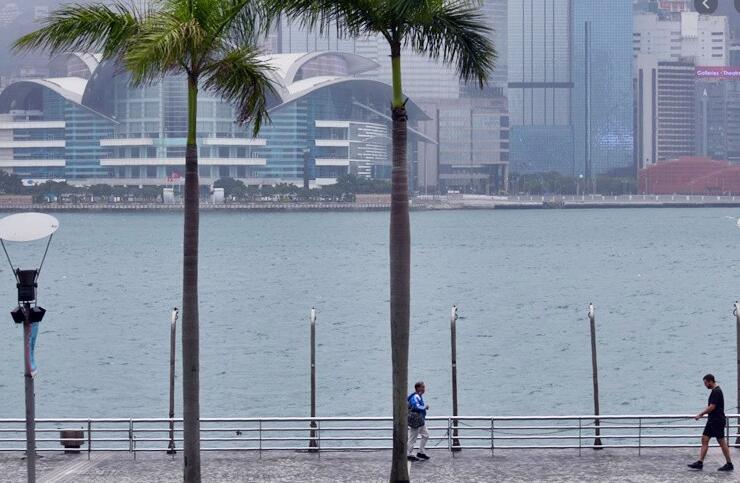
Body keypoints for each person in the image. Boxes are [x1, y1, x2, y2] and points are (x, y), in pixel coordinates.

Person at [687, 374, 733, 472]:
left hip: (717, 421)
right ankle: (700, 462)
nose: (705, 385)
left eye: (706, 383)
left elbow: (712, 407)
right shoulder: (715, 391)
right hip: (712, 420)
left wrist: (701, 414)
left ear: (711, 381)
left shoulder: (716, 392)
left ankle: (729, 464)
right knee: (704, 439)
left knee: (722, 442)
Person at [407, 381, 430, 461]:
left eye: (424, 387)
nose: (424, 389)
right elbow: (416, 406)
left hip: (420, 420)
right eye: (422, 387)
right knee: (413, 437)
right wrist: (424, 407)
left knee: (426, 435)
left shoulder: (418, 396)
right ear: (418, 388)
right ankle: (408, 454)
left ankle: (421, 452)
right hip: (416, 420)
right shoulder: (416, 396)